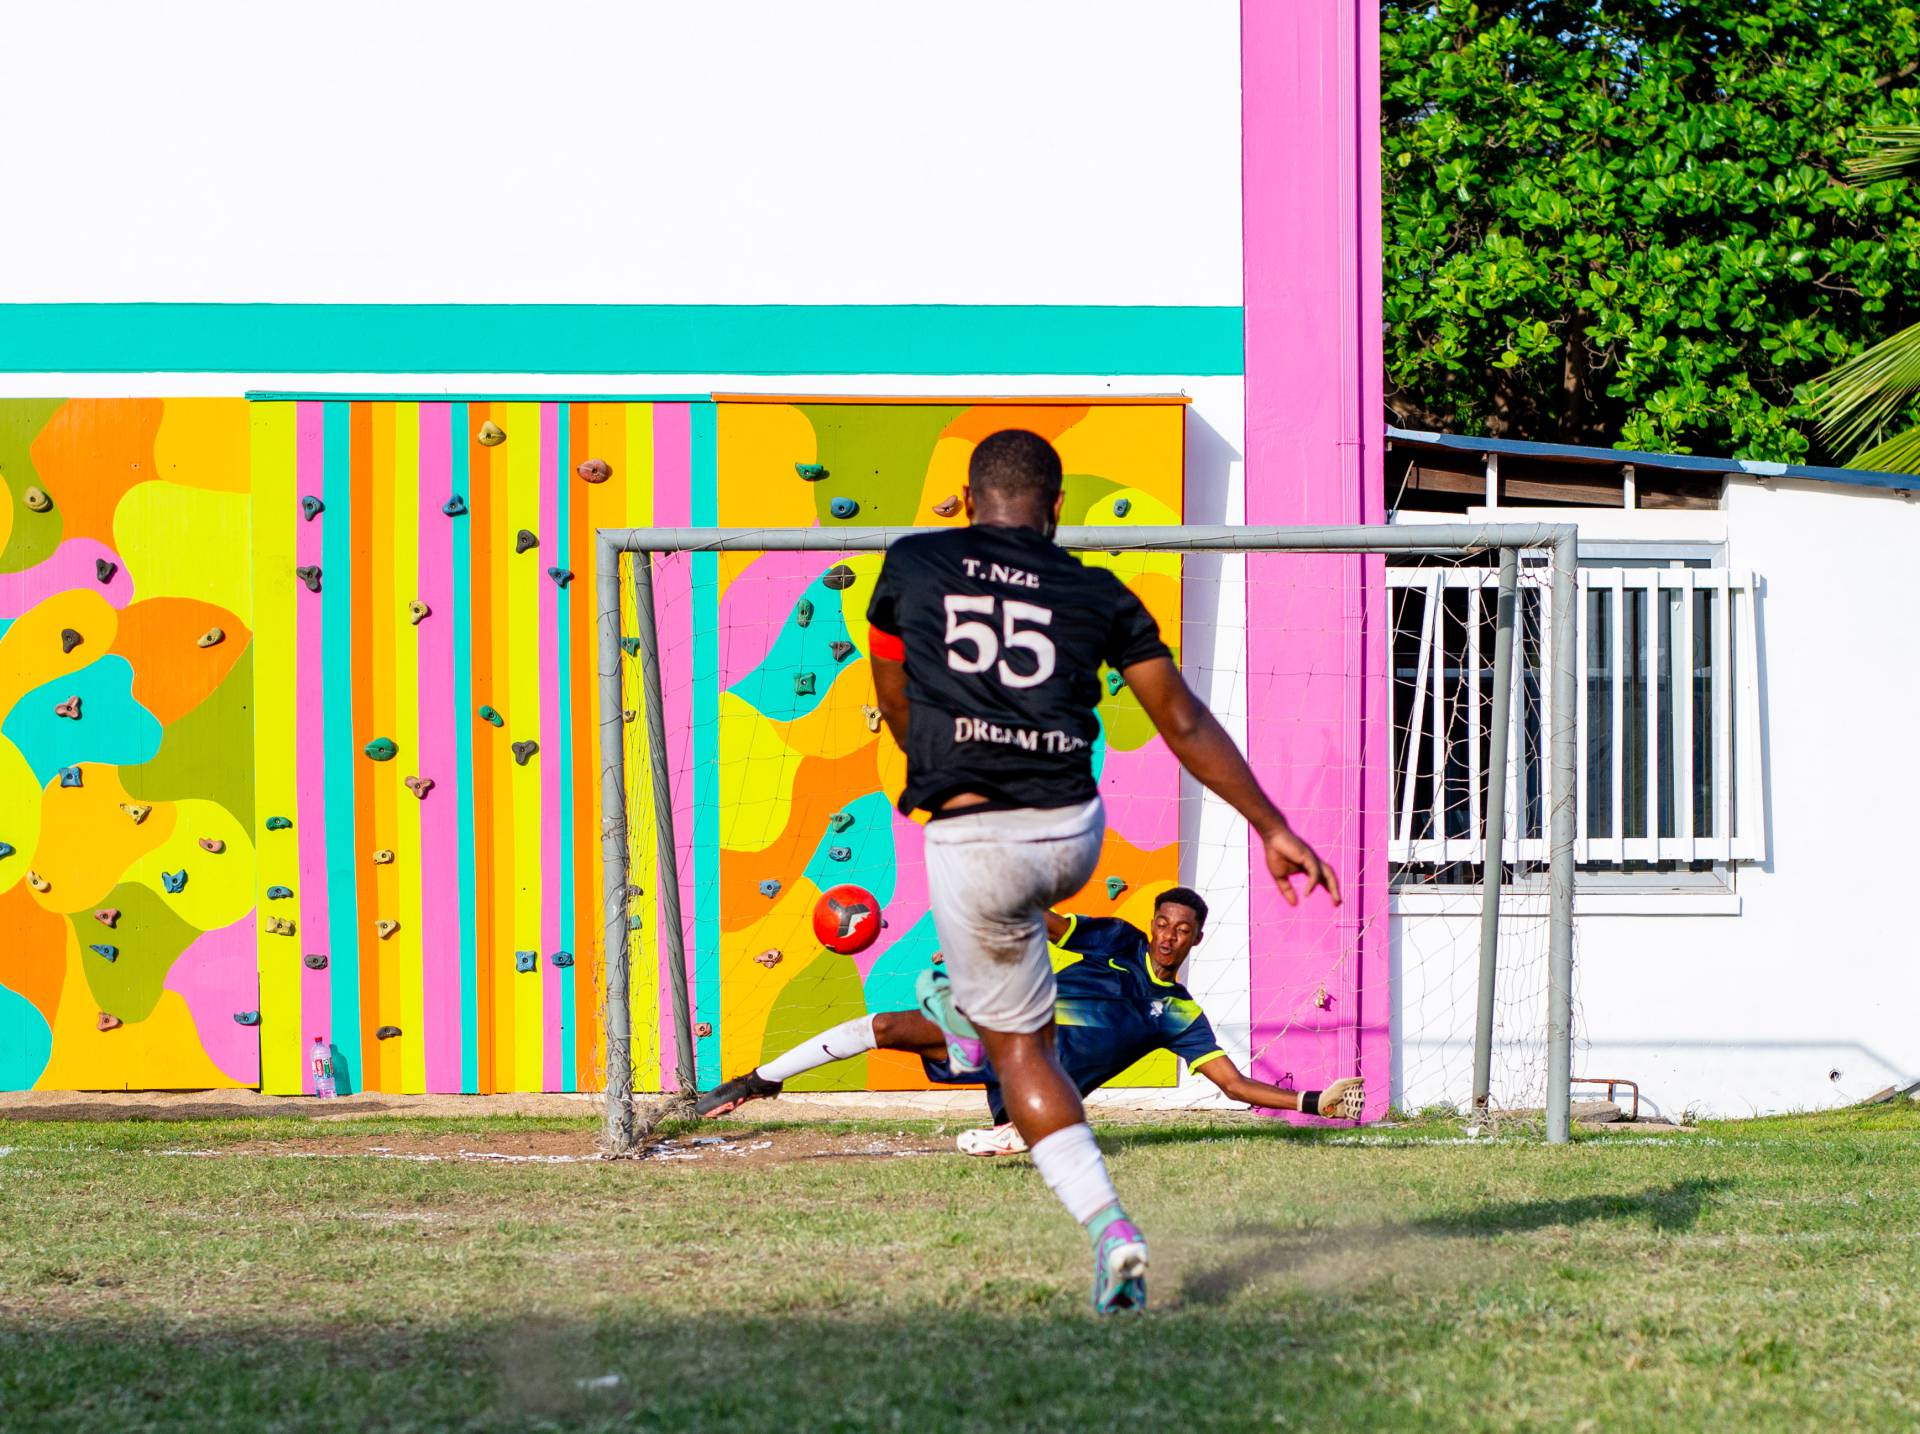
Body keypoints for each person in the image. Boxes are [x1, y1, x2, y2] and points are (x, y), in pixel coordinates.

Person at [854, 429, 1339, 1313]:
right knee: (1025, 973)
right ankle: (993, 1009)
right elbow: (1183, 722)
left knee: (1019, 1053)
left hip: (975, 835)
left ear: (965, 498)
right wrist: (1271, 825)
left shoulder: (913, 564)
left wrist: (933, 760)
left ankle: (1110, 1226)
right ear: (1057, 506)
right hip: (1069, 833)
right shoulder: (1099, 591)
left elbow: (893, 696)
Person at [696, 886, 1367, 1154]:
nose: (1168, 936)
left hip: (1037, 1080)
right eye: (1163, 923)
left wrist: (1314, 1101)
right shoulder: (1118, 939)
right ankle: (760, 1080)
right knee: (886, 1027)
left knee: (1016, 1134)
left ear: (1196, 938)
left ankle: (1021, 1131)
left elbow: (1234, 1085)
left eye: (1181, 929)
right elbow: (1047, 922)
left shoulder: (1181, 1016)